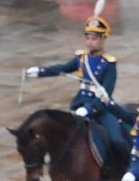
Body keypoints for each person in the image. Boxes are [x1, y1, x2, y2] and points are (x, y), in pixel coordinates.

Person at [25, 8, 122, 158]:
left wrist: (90, 109)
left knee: (117, 140)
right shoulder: (82, 58)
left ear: (103, 39)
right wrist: (40, 71)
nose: (90, 42)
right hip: (80, 103)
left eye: (94, 38)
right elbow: (63, 69)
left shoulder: (109, 64)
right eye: (88, 38)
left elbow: (106, 94)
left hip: (100, 107)